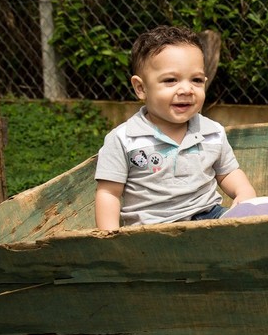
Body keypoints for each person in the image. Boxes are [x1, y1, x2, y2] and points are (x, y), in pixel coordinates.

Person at [95, 26, 256, 229]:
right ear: (141, 88)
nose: (187, 89)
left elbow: (228, 172)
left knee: (254, 229)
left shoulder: (212, 132)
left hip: (209, 216)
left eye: (196, 80)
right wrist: (110, 238)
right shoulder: (125, 139)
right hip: (151, 227)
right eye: (171, 80)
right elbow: (109, 193)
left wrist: (244, 192)